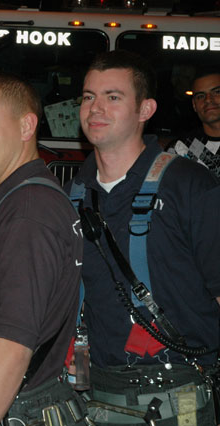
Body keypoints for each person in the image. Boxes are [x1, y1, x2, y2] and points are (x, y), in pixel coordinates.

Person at [70, 50, 220, 424]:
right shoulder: (75, 193)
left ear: (146, 109)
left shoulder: (189, 185)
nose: (95, 108)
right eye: (88, 97)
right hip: (97, 393)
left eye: (113, 97)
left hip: (181, 396)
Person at [0, 70, 86, 425]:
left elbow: (13, 341)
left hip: (18, 409)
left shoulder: (27, 212)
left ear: (27, 127)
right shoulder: (24, 199)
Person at [167, 70, 220, 178]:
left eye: (217, 92)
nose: (208, 100)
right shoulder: (183, 147)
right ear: (194, 105)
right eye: (200, 96)